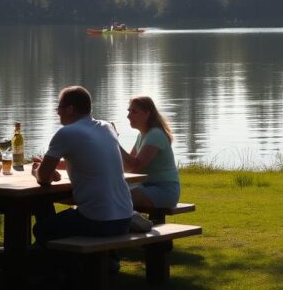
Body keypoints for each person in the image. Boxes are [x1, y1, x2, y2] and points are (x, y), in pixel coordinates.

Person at [32, 86, 133, 244]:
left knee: (41, 229)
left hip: (97, 221)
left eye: (59, 108)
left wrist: (36, 171)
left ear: (70, 109)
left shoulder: (67, 133)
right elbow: (87, 159)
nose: (57, 112)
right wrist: (52, 166)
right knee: (54, 223)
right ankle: (103, 261)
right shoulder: (107, 128)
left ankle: (53, 267)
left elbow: (43, 178)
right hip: (125, 218)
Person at [119, 96, 180, 208]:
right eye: (129, 111)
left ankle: (135, 223)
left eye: (134, 112)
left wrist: (115, 143)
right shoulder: (142, 135)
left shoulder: (155, 135)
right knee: (115, 193)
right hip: (146, 187)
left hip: (165, 190)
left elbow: (135, 167)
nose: (128, 116)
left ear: (147, 114)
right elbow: (127, 167)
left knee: (123, 196)